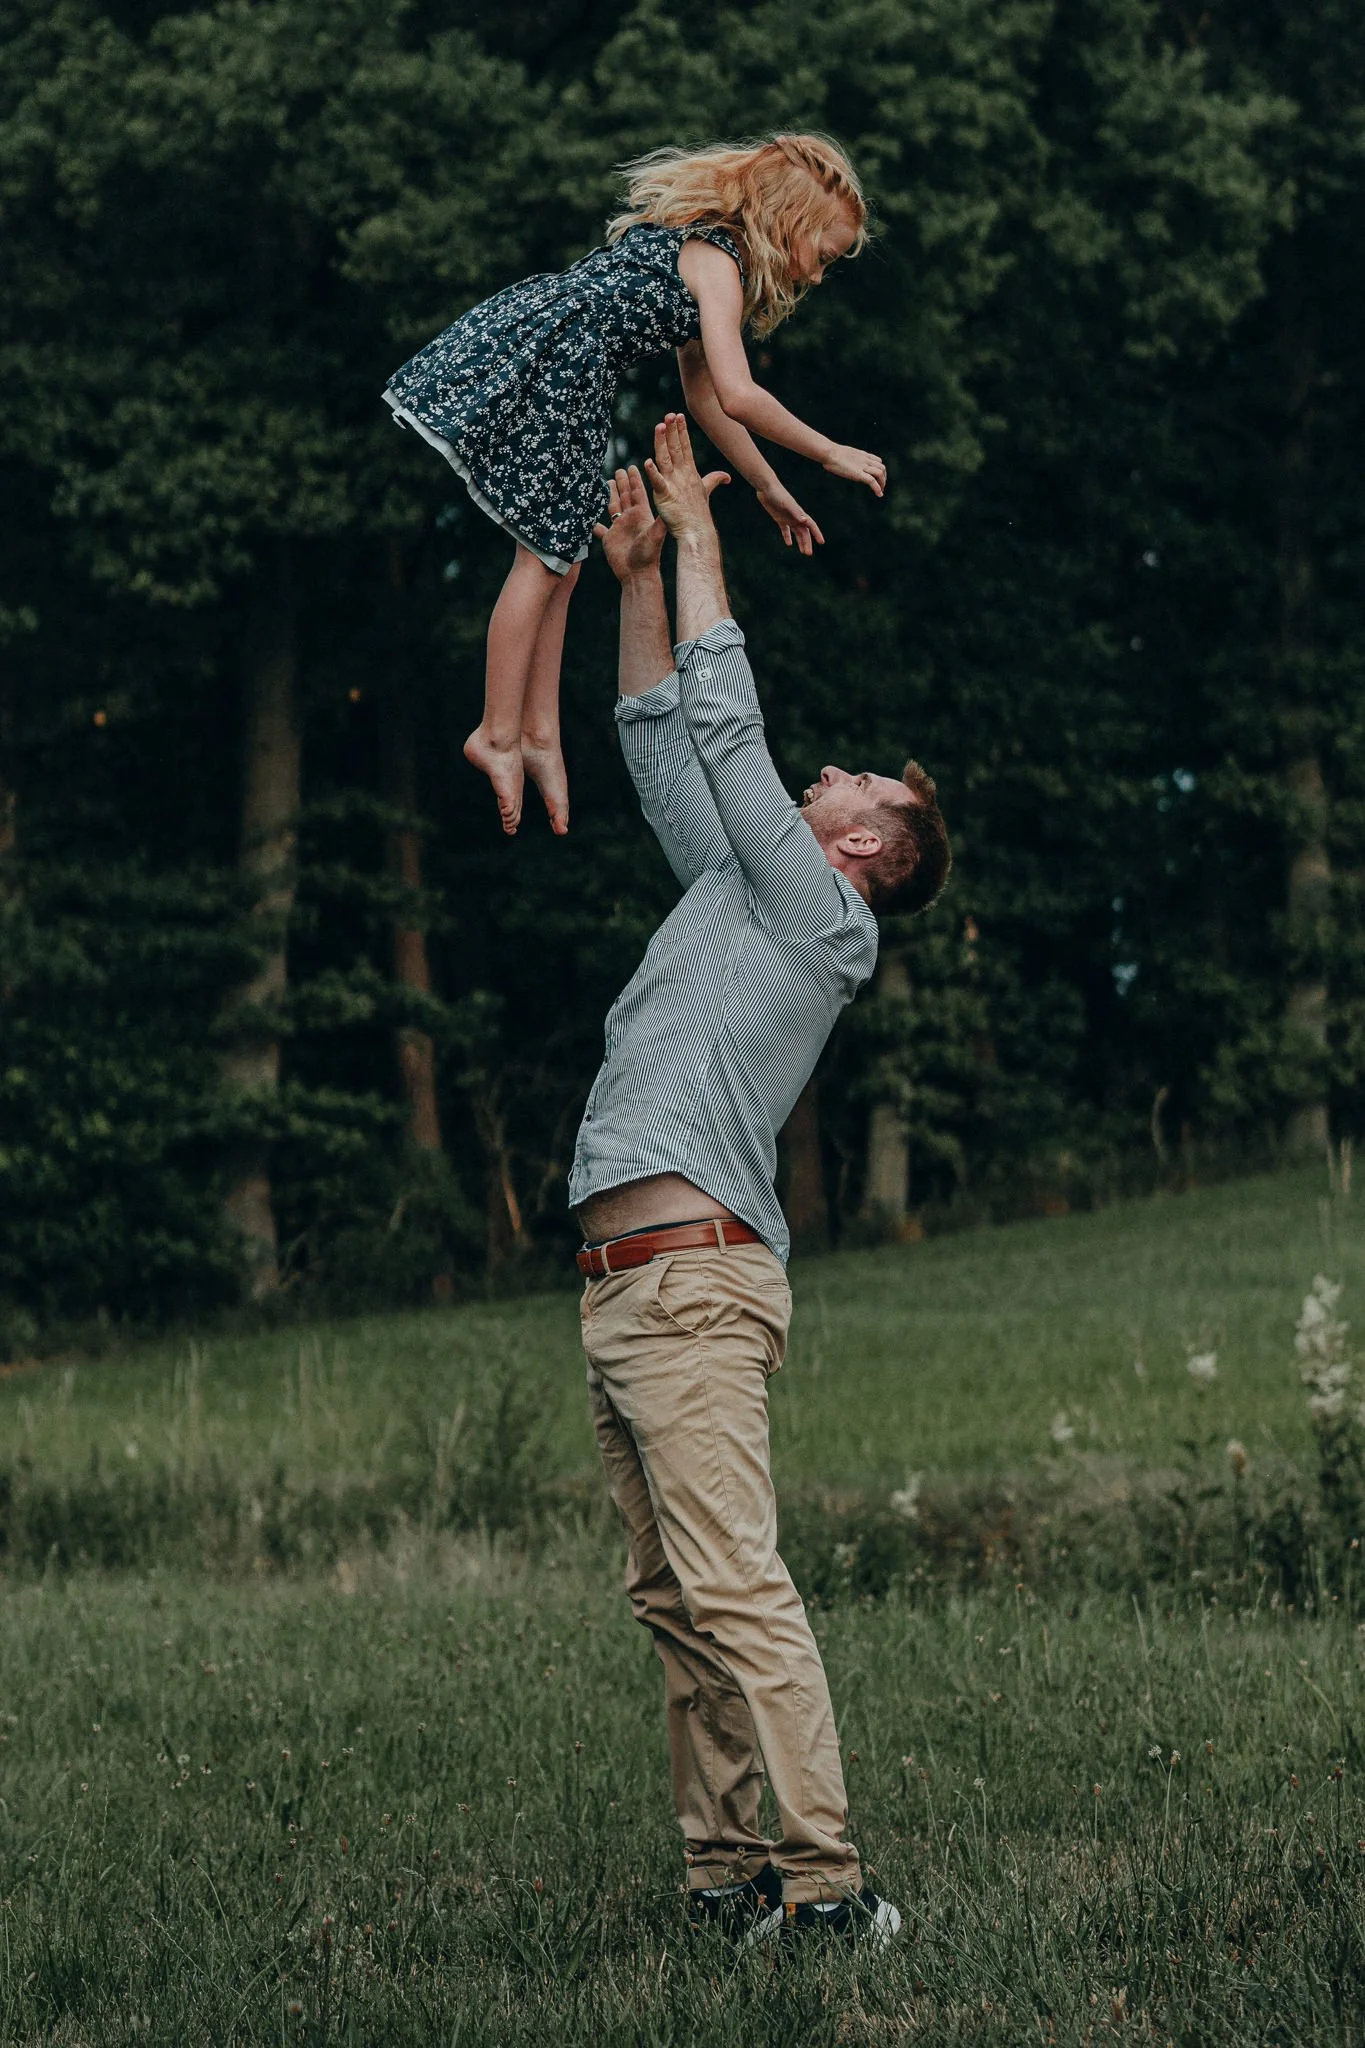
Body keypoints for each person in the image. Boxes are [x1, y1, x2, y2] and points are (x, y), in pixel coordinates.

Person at [570, 414, 951, 1947]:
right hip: (620, 1291)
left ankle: (832, 1892)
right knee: (674, 1604)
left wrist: (704, 526)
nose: (831, 767)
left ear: (864, 846)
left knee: (736, 1590)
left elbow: (730, 729)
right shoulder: (739, 881)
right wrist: (641, 571)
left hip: (694, 1286)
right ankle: (727, 1883)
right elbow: (666, 736)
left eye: (854, 780)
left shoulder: (823, 925)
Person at [382, 133, 885, 837]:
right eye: (824, 254)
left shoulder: (706, 254)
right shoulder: (718, 261)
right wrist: (826, 450)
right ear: (790, 223)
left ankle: (537, 732)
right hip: (554, 361)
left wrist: (768, 486)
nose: (821, 273)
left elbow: (708, 397)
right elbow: (740, 393)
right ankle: (496, 731)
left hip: (572, 369)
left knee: (563, 554)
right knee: (541, 557)